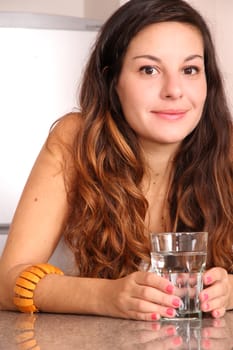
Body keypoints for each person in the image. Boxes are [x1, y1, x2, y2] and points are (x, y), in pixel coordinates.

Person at [0, 0, 232, 321]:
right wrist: (106, 296)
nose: (174, 90)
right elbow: (7, 281)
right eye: (149, 69)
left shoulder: (227, 144)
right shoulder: (76, 139)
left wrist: (229, 288)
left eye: (190, 69)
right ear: (113, 81)